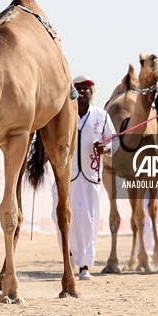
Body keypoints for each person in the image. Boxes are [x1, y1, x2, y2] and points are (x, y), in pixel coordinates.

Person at [52, 75, 117, 281]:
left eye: (85, 89)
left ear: (92, 92)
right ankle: (69, 258)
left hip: (90, 177)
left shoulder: (102, 116)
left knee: (88, 221)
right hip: (65, 177)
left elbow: (115, 144)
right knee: (61, 218)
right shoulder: (62, 115)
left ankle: (85, 266)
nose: (81, 92)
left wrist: (105, 148)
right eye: (77, 88)